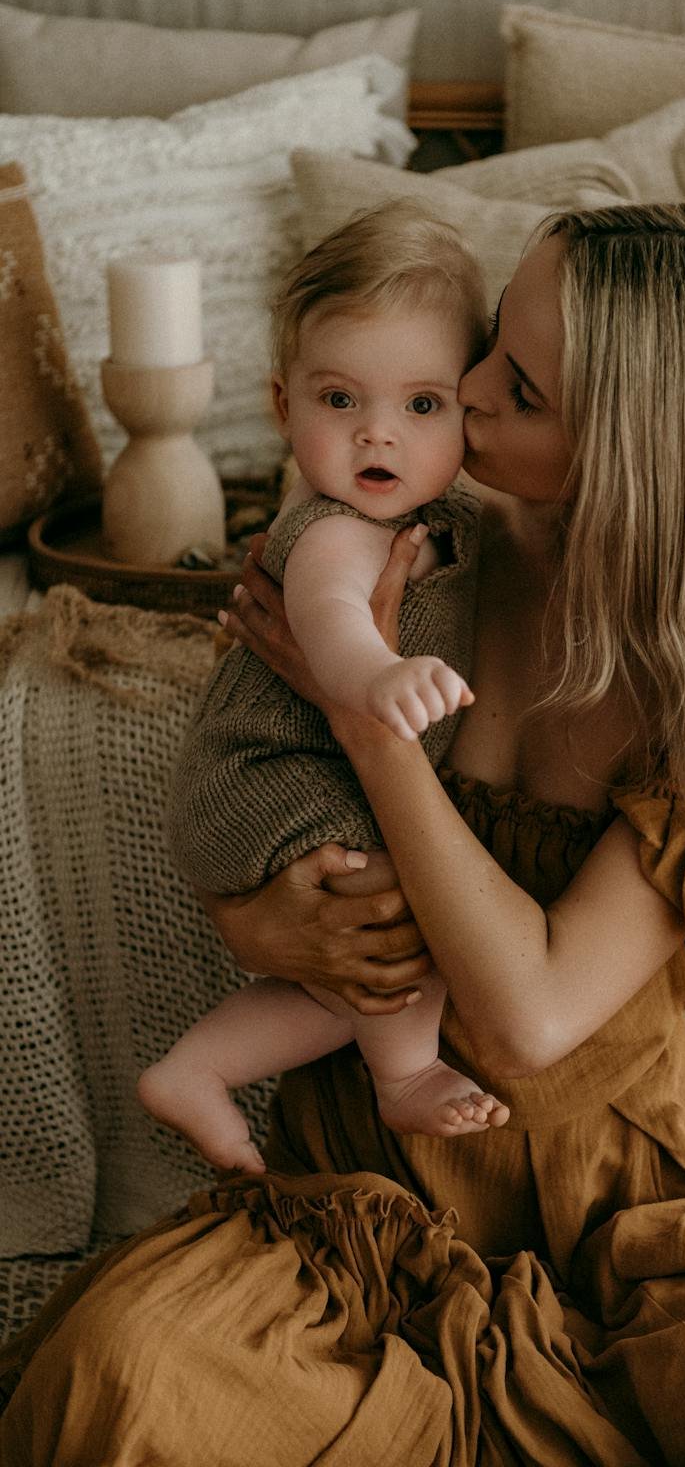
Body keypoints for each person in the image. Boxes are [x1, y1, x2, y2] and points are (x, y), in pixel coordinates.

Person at [2, 204, 685, 1466]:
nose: (463, 392)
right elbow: (252, 804)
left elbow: (527, 1018)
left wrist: (369, 728)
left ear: (630, 444)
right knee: (121, 1384)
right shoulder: (411, 545)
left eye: (518, 387)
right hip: (367, 1179)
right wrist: (266, 917)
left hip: (648, 1201)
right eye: (491, 344)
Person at [143, 201, 510, 1171]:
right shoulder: (334, 529)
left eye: (421, 405)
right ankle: (405, 1075)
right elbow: (332, 618)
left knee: (349, 968)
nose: (376, 435)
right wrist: (379, 674)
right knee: (404, 909)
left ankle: (197, 1069)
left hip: (294, 776)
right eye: (340, 400)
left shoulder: (448, 517)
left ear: (468, 413)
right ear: (283, 407)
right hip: (271, 776)